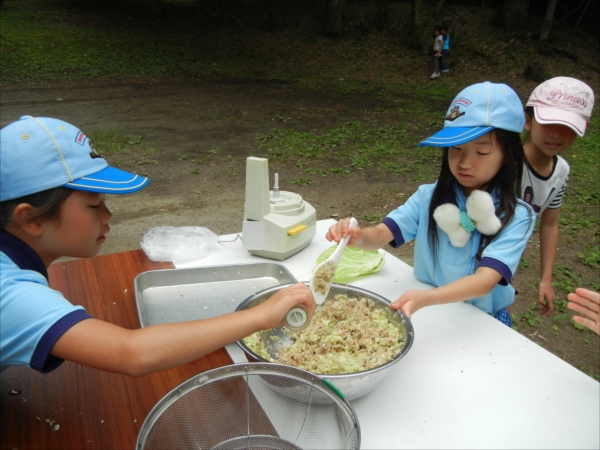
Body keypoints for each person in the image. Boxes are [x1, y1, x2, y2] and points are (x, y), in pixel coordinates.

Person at [0, 115, 315, 375]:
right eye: (94, 205)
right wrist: (261, 315)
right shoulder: (10, 295)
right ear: (31, 219)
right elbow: (132, 353)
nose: (108, 215)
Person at [327, 82, 535, 326]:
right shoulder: (428, 197)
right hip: (428, 313)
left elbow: (485, 281)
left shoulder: (517, 216)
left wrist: (427, 298)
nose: (464, 163)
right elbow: (384, 232)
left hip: (481, 321)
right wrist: (360, 237)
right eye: (455, 148)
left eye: (481, 153)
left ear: (508, 155)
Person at [520, 77, 595, 316]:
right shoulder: (504, 159)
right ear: (528, 121)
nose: (557, 134)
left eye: (569, 126)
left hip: (506, 259)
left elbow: (550, 223)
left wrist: (546, 278)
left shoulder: (561, 171)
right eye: (549, 122)